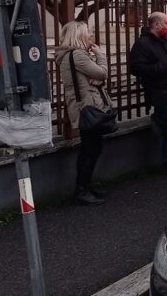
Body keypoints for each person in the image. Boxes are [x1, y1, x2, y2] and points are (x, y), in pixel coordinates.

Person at [57, 21, 112, 205]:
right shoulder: (78, 55)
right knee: (90, 149)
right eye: (88, 34)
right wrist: (100, 55)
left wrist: (96, 79)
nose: (90, 37)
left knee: (92, 148)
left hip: (82, 105)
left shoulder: (69, 56)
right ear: (79, 36)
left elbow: (92, 79)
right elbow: (102, 73)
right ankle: (81, 190)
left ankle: (85, 186)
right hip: (87, 108)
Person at [129, 12, 167, 175]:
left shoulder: (166, 42)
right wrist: (161, 68)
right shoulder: (143, 44)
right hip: (159, 91)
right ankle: (159, 119)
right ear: (156, 25)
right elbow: (135, 68)